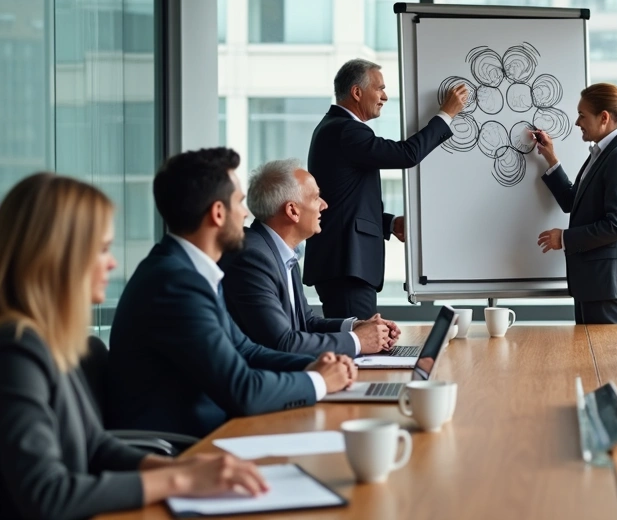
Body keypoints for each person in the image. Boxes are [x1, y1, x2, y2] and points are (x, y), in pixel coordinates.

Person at [0, 173, 269, 520]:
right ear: (57, 257)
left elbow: (94, 445)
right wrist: (181, 478)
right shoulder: (17, 352)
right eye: (101, 249)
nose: (112, 263)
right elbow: (47, 495)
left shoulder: (49, 342)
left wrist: (183, 465)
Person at [106, 148, 356, 437]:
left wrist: (315, 364)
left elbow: (246, 350)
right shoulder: (175, 283)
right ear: (218, 213)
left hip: (215, 430)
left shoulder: (189, 270)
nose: (246, 212)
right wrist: (319, 381)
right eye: (238, 202)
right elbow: (243, 390)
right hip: (186, 447)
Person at [305, 58, 470, 320]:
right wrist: (446, 114)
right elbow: (406, 155)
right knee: (359, 351)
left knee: (362, 345)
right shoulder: (347, 130)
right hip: (346, 266)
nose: (385, 96)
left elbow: (344, 203)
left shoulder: (335, 129)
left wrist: (390, 224)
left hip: (345, 265)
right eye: (379, 88)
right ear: (357, 92)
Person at [221, 159, 400, 356]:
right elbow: (283, 343)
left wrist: (357, 326)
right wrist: (359, 341)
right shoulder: (252, 258)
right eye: (316, 198)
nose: (324, 205)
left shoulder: (281, 252)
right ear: (292, 211)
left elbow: (306, 323)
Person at [532, 83, 617, 324]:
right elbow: (572, 202)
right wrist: (551, 158)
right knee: (592, 358)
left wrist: (563, 238)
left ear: (604, 117)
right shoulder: (605, 153)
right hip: (597, 282)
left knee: (605, 360)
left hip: (607, 284)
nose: (577, 122)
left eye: (582, 115)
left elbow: (616, 226)